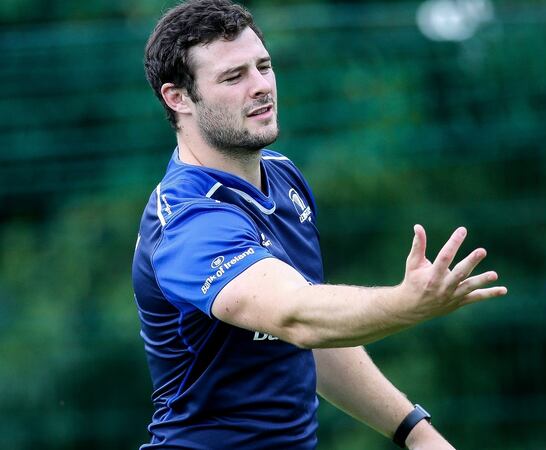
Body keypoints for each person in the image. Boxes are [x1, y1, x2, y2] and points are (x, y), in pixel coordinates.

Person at [132, 0, 507, 448]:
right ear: (177, 98)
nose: (261, 86)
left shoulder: (282, 177)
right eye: (233, 77)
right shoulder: (187, 220)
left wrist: (415, 432)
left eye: (263, 66)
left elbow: (314, 339)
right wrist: (406, 303)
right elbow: (297, 316)